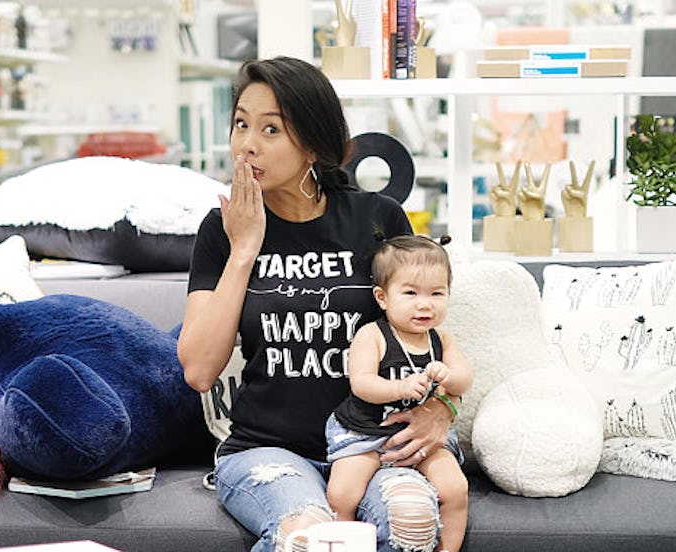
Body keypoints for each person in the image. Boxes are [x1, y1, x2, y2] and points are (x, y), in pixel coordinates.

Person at [177, 56, 461, 552]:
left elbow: (426, 331)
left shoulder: (378, 218)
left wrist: (442, 409)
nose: (247, 143)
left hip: (375, 443)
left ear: (311, 143)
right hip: (268, 449)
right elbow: (199, 370)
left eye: (271, 130)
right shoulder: (222, 229)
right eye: (241, 124)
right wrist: (245, 248)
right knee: (309, 536)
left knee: (412, 522)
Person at [325, 234, 473, 552]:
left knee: (455, 488)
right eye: (410, 293)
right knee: (343, 493)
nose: (425, 303)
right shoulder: (373, 335)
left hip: (422, 438)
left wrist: (449, 376)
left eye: (437, 293)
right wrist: (400, 387)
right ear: (382, 297)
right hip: (366, 430)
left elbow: (464, 380)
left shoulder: (441, 339)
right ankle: (343, 543)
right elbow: (361, 383)